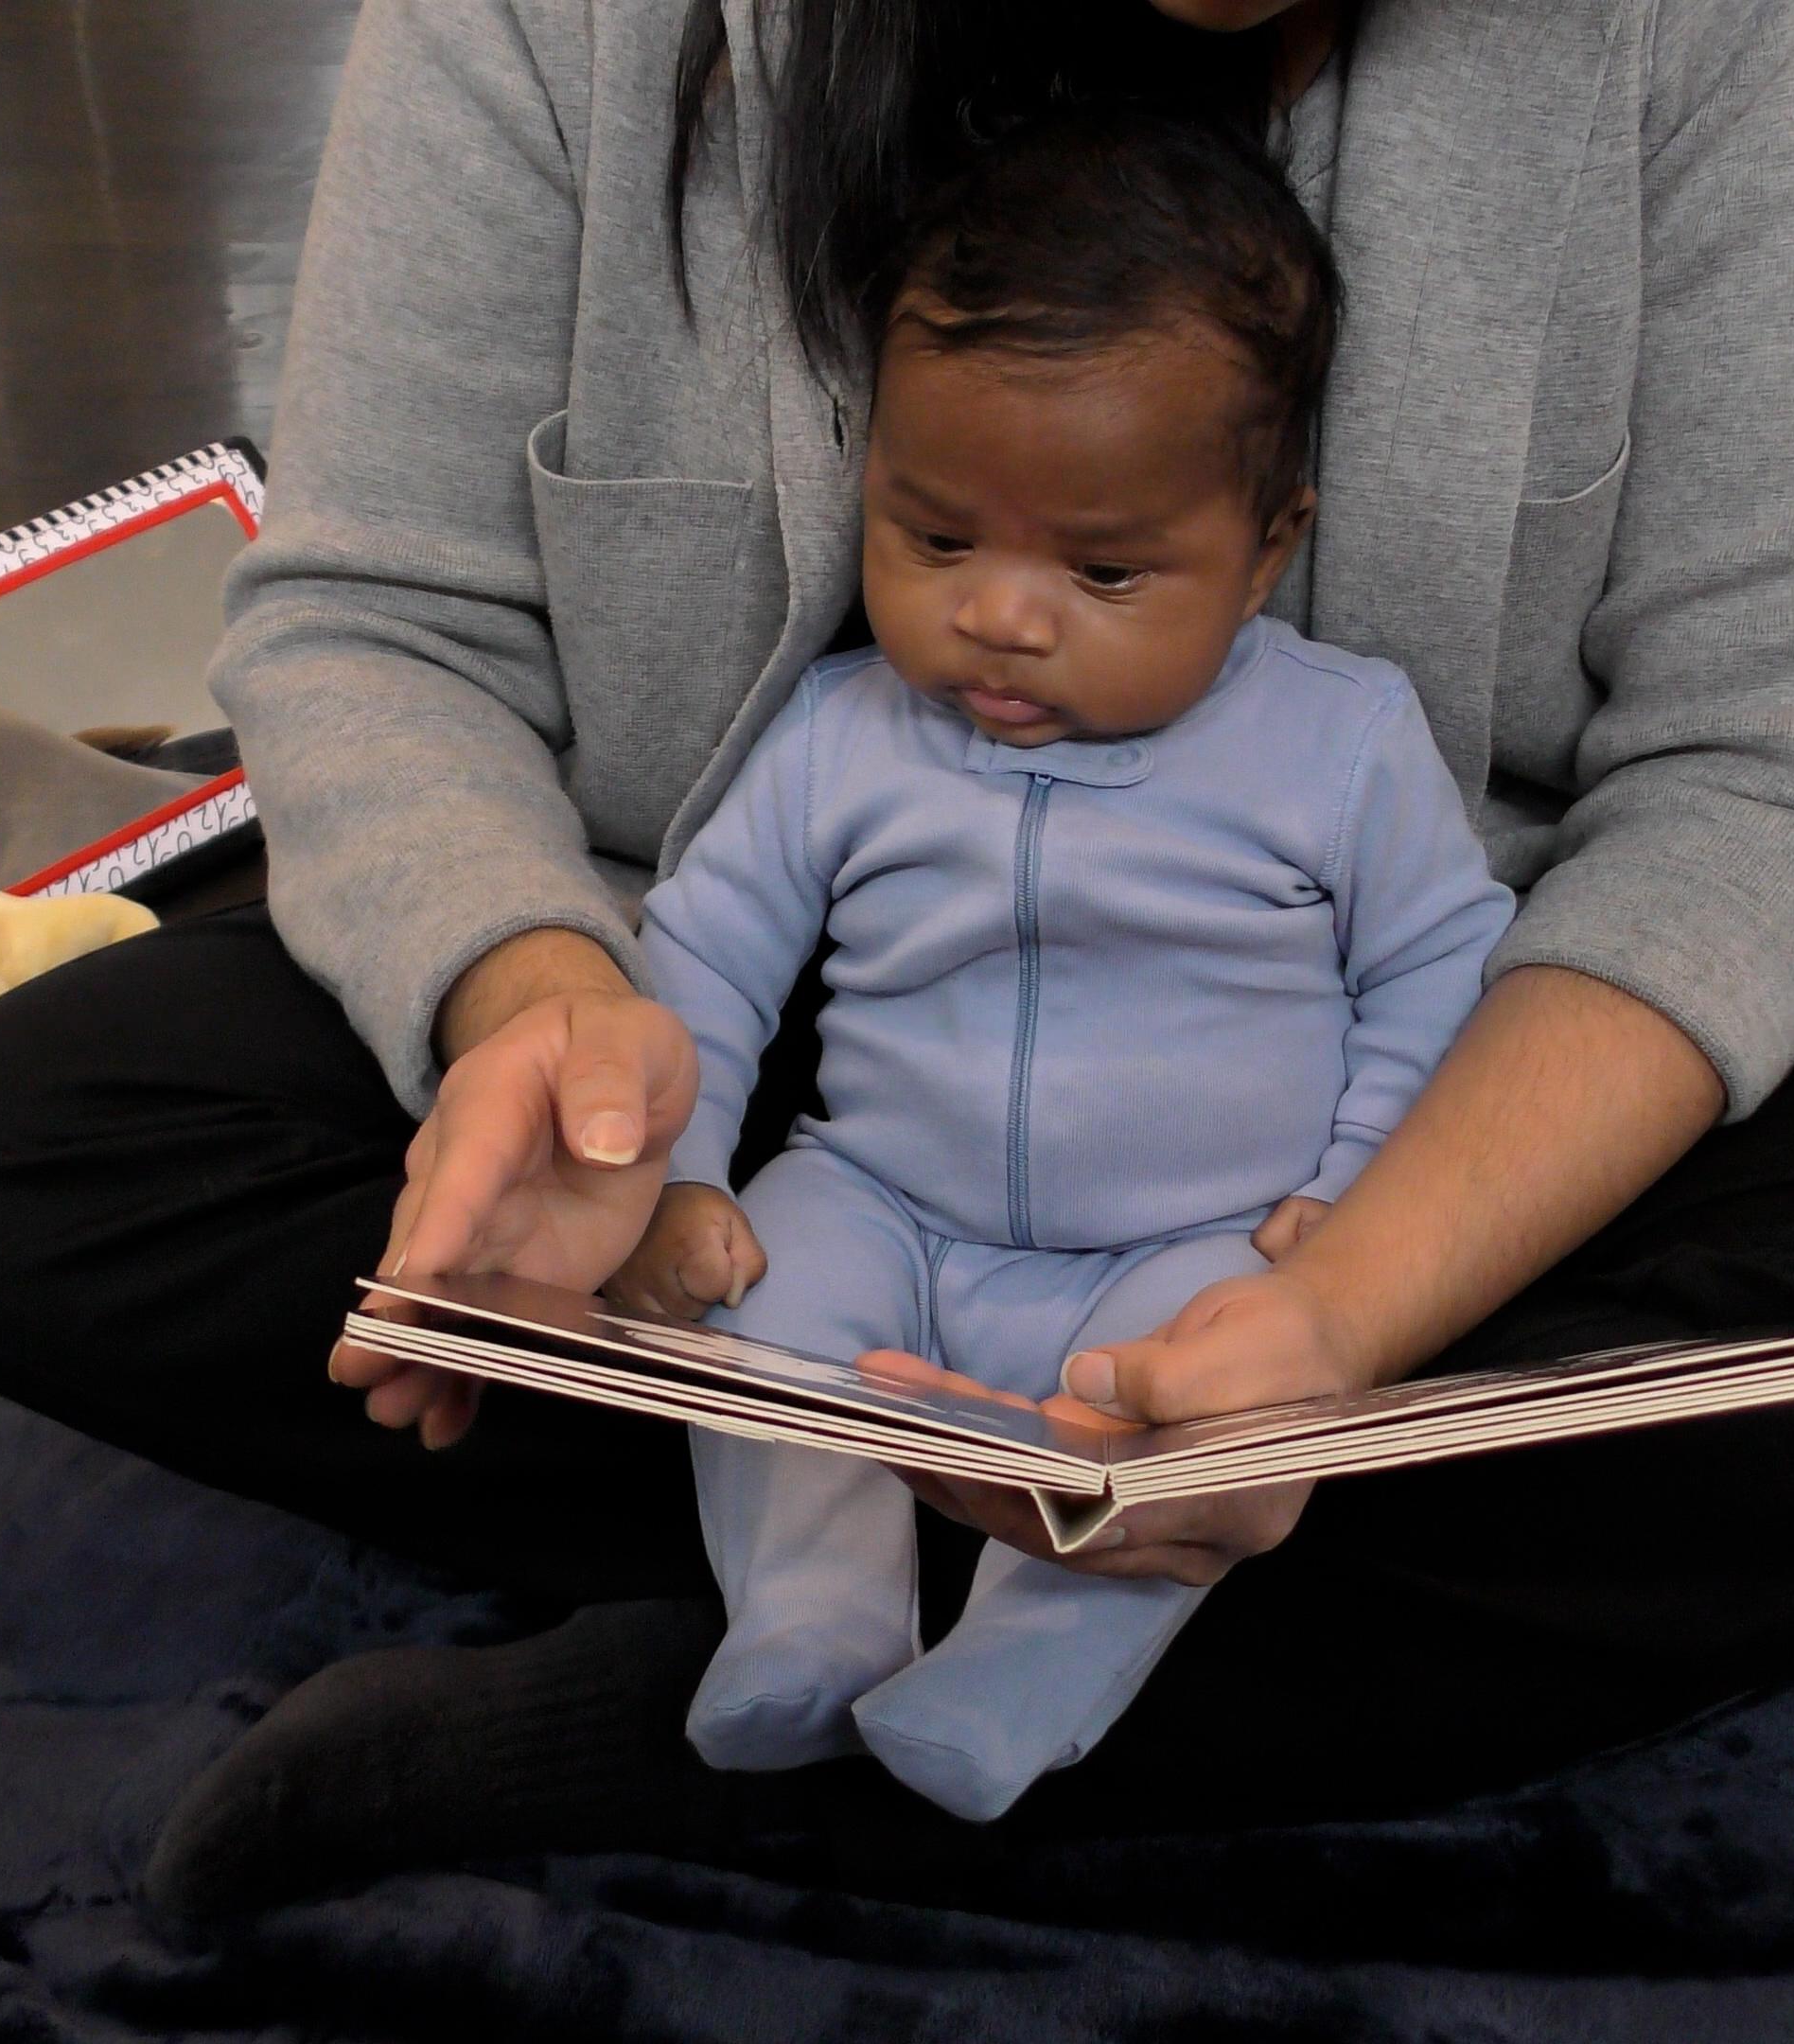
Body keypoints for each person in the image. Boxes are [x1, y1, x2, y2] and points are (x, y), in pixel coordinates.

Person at [0, 0, 1794, 1926]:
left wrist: (1351, 1300)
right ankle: (1041, 1625)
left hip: (1373, 1090)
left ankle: (711, 1717)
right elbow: (380, 627)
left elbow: (1763, 771)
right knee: (24, 1157)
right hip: (735, 1004)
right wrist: (552, 1028)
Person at [607, 106, 1512, 1824]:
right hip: (884, 1195)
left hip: (1184, 1243)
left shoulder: (1339, 742)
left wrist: (1348, 1193)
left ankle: (1016, 1679)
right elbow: (707, 951)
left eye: (1103, 570)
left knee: (1191, 1419)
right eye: (938, 540)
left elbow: (1441, 967)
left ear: (1267, 549)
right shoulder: (843, 732)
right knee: (763, 1310)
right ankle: (809, 1616)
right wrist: (688, 1173)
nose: (1003, 618)